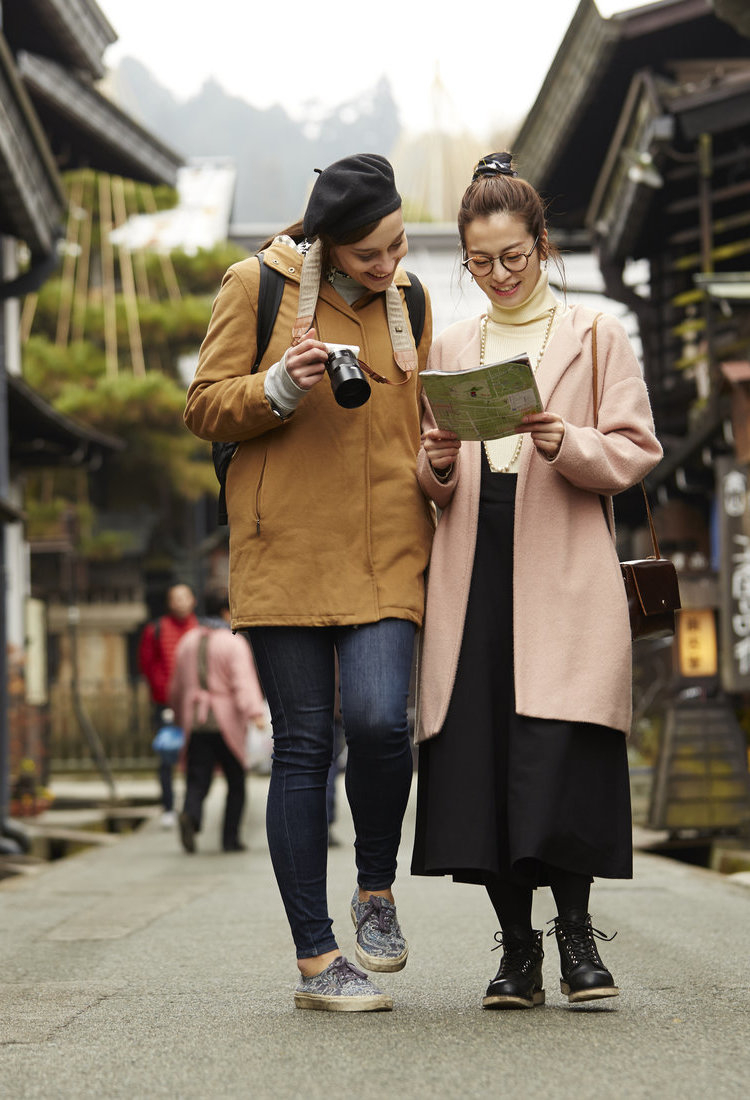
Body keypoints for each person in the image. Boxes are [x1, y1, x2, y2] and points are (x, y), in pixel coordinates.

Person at [411, 152, 663, 1011]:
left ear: (542, 244)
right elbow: (430, 480)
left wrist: (573, 444)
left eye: (513, 257)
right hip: (472, 562)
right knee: (480, 750)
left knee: (560, 748)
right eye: (479, 263)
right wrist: (437, 462)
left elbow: (635, 450)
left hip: (563, 562)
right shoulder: (448, 344)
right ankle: (516, 951)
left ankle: (577, 941)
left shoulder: (596, 334)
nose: (498, 276)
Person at [184, 153, 434, 1012]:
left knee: (378, 719)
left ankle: (374, 889)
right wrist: (280, 385)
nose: (388, 265)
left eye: (397, 245)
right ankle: (317, 960)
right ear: (326, 243)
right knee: (302, 745)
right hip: (284, 546)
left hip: (390, 546)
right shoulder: (255, 285)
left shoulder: (414, 303)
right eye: (370, 255)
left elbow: (419, 419)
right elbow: (204, 404)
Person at [169, 590, 266, 854]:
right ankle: (230, 839)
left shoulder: (188, 640)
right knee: (236, 781)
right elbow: (242, 681)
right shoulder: (232, 642)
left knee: (197, 777)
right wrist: (255, 713)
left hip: (196, 719)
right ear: (226, 611)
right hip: (226, 719)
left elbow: (176, 686)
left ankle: (191, 814)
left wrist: (179, 715)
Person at [138, 583, 198, 826]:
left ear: (193, 600)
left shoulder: (200, 629)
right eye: (176, 598)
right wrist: (162, 691)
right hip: (166, 704)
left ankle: (190, 808)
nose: (181, 602)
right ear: (169, 603)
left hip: (194, 704)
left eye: (185, 597)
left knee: (195, 756)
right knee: (166, 756)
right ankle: (168, 807)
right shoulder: (156, 630)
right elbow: (147, 664)